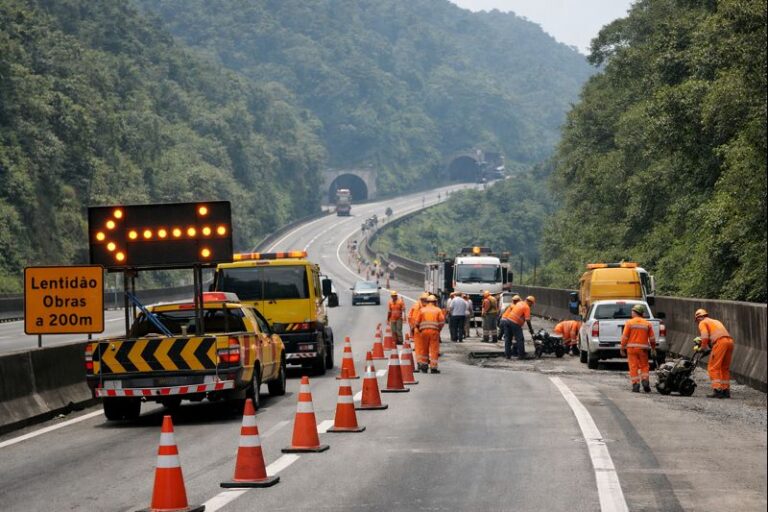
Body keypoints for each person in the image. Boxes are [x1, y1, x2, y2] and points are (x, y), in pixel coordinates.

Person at [693, 309, 735, 398]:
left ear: (699, 317)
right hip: (729, 342)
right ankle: (725, 390)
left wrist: (703, 347)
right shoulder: (715, 321)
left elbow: (704, 336)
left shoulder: (702, 322)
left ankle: (717, 390)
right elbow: (714, 335)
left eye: (697, 320)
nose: (698, 322)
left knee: (713, 367)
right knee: (724, 368)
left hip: (720, 342)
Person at [619, 304, 656, 393]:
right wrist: (653, 348)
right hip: (643, 349)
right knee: (644, 365)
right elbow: (652, 338)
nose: (631, 313)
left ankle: (636, 385)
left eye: (632, 311)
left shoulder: (629, 323)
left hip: (631, 349)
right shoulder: (647, 324)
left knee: (633, 366)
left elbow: (625, 337)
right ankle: (645, 381)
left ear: (635, 312)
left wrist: (622, 347)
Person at [415, 295, 445, 373]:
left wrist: (420, 329)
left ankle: (424, 366)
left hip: (424, 332)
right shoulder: (438, 310)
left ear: (427, 302)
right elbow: (442, 322)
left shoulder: (422, 310)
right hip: (434, 332)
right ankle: (433, 367)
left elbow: (417, 322)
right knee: (434, 349)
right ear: (435, 302)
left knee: (424, 349)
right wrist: (439, 329)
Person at [409, 292, 429, 365]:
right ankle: (420, 362)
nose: (425, 301)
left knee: (424, 346)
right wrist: (413, 327)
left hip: (424, 330)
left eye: (426, 300)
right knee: (419, 346)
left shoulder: (426, 307)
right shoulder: (417, 307)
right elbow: (413, 318)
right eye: (424, 300)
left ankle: (423, 361)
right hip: (419, 329)